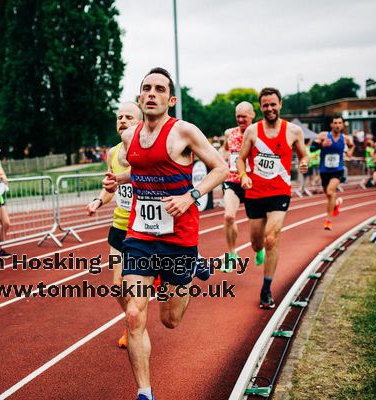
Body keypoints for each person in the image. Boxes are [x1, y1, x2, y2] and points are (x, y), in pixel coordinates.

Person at [103, 67, 227, 400]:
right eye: (147, 88)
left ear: (170, 99)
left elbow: (221, 168)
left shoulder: (184, 132)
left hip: (179, 237)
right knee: (133, 311)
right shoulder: (129, 137)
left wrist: (192, 196)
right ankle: (145, 393)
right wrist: (119, 181)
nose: (152, 93)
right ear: (140, 97)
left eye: (160, 89)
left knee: (171, 320)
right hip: (141, 236)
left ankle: (193, 264)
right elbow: (139, 170)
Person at [236, 87, 308, 309]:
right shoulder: (252, 132)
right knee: (257, 242)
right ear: (260, 107)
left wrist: (304, 162)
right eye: (265, 105)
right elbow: (241, 159)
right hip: (255, 193)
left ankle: (266, 289)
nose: (269, 108)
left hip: (279, 192)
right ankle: (259, 252)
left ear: (280, 104)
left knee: (271, 238)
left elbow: (303, 154)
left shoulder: (294, 131)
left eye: (273, 104)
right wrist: (243, 175)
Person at [86, 101, 143, 348]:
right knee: (117, 287)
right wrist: (98, 201)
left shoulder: (147, 151)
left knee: (135, 288)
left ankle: (134, 324)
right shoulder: (112, 153)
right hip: (119, 226)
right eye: (119, 117)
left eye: (128, 117)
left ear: (140, 122)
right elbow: (110, 187)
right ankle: (130, 322)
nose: (122, 120)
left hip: (143, 228)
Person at [220, 101, 255, 271]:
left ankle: (259, 246)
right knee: (228, 216)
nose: (240, 119)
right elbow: (225, 150)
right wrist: (219, 163)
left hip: (252, 182)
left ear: (252, 115)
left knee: (257, 222)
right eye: (238, 116)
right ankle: (232, 254)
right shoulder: (229, 133)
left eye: (244, 116)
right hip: (232, 181)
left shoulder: (258, 133)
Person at [311, 116, 354, 230]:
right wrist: (321, 145)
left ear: (343, 125)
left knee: (331, 191)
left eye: (340, 123)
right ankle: (336, 203)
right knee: (329, 195)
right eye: (335, 123)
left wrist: (349, 153)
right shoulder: (323, 136)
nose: (338, 125)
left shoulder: (345, 139)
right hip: (324, 170)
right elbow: (311, 148)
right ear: (331, 125)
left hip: (337, 170)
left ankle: (328, 221)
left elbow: (351, 146)